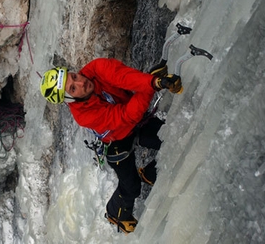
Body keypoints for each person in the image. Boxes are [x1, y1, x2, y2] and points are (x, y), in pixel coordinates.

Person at [40, 58, 182, 234]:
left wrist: (152, 81)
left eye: (74, 76)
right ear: (69, 99)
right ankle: (116, 214)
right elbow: (126, 116)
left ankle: (150, 173)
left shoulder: (96, 68)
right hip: (117, 141)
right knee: (131, 187)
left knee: (172, 138)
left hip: (136, 121)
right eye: (73, 88)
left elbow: (123, 77)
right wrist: (151, 86)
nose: (81, 82)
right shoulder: (84, 116)